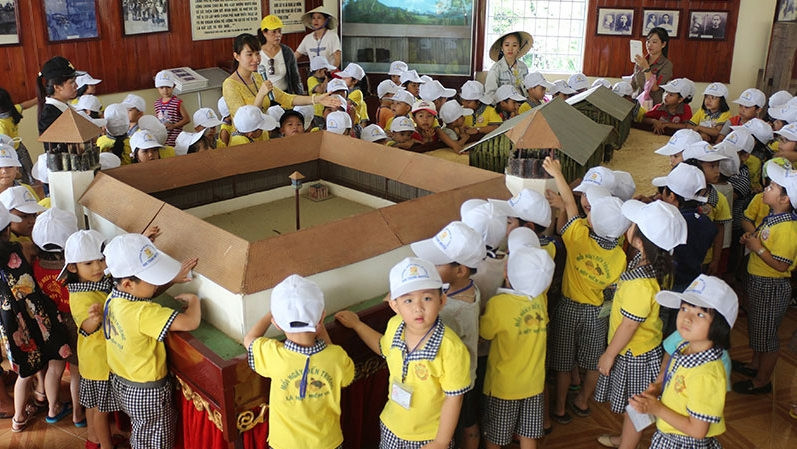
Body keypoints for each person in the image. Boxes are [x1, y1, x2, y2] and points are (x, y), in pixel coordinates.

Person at [335, 257, 471, 449]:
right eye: (408, 300)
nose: (418, 307)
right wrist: (357, 325)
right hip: (392, 425)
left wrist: (441, 441)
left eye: (427, 298)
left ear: (441, 301)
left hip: (429, 436)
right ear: (394, 306)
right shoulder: (395, 325)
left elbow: (454, 397)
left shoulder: (451, 349)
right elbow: (383, 348)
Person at [543, 157, 630, 426]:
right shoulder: (619, 256)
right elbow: (613, 288)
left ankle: (559, 408)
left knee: (563, 362)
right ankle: (582, 401)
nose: (587, 213)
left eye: (591, 213)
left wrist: (557, 173)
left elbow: (570, 205)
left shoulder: (578, 235)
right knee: (593, 362)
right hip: (597, 314)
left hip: (569, 307)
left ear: (592, 221)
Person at [594, 200, 687, 449]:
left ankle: (628, 444)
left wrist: (608, 355)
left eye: (634, 224)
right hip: (642, 349)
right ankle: (625, 439)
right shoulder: (656, 266)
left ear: (638, 241)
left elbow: (629, 326)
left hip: (634, 355)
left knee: (635, 408)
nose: (630, 224)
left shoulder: (640, 283)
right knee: (632, 405)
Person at [102, 233, 199, 449]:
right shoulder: (144, 313)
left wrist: (172, 279)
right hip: (148, 392)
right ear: (128, 283)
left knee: (142, 432)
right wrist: (194, 301)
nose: (157, 284)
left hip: (122, 382)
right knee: (156, 441)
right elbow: (189, 323)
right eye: (152, 279)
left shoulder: (113, 297)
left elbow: (145, 293)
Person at [244, 274, 354, 449]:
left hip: (285, 444)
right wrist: (320, 326)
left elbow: (250, 338)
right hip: (327, 443)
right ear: (321, 317)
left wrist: (272, 313)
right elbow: (346, 378)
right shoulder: (336, 356)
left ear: (277, 324)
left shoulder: (273, 355)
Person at [630, 275, 736, 449]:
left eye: (700, 314)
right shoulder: (684, 346)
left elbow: (698, 430)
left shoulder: (707, 375)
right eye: (684, 308)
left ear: (719, 326)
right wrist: (658, 389)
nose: (687, 318)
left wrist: (656, 409)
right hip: (669, 435)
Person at [411, 221, 486, 449]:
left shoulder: (451, 310)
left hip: (454, 381)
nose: (430, 266)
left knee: (458, 424)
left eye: (437, 263)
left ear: (460, 270)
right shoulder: (469, 288)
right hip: (468, 374)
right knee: (468, 420)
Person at [0, 206, 72, 432]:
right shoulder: (20, 248)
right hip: (37, 317)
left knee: (24, 373)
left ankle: (18, 419)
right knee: (55, 354)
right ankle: (51, 402)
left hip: (11, 326)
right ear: (6, 230)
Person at [733, 160, 797, 395]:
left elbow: (782, 265)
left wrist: (757, 247)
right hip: (761, 281)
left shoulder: (788, 228)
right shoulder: (773, 218)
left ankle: (762, 380)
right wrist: (752, 239)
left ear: (785, 199)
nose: (766, 188)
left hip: (772, 285)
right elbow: (763, 241)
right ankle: (754, 365)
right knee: (759, 328)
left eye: (772, 187)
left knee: (767, 336)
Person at [481, 246, 554, 449]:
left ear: (506, 273)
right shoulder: (539, 299)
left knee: (495, 437)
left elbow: (485, 333)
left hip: (504, 387)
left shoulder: (499, 304)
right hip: (534, 384)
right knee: (527, 434)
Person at [62, 230, 118, 449]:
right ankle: (106, 445)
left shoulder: (97, 282)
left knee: (94, 406)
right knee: (100, 410)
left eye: (100, 260)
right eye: (88, 263)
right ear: (73, 267)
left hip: (94, 361)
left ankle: (93, 440)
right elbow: (84, 326)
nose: (97, 267)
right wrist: (94, 320)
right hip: (99, 363)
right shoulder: (80, 295)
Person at [223, 34, 339, 120]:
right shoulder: (230, 84)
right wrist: (261, 95)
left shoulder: (258, 77)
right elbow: (245, 121)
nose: (256, 59)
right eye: (249, 54)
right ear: (237, 56)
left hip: (264, 133)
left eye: (257, 53)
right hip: (243, 141)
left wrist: (316, 99)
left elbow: (287, 98)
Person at [36, 56, 83, 135]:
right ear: (57, 87)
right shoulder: (49, 115)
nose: (77, 86)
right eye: (72, 82)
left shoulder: (64, 106)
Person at [258, 15, 304, 95]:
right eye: (274, 32)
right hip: (263, 98)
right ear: (264, 33)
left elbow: (295, 79)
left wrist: (301, 97)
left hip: (285, 97)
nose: (278, 35)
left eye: (279, 31)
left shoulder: (287, 52)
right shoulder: (257, 53)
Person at [0, 88, 36, 184]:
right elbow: (24, 105)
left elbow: (3, 145)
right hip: (20, 149)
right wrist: (37, 99)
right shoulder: (13, 111)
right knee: (27, 177)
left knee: (13, 179)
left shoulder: (1, 125)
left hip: (8, 154)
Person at [631, 27, 673, 108]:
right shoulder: (641, 60)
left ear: (663, 44)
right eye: (648, 41)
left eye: (654, 42)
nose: (649, 45)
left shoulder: (667, 64)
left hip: (653, 105)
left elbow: (654, 88)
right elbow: (634, 84)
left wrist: (646, 68)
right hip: (636, 103)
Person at [484, 31, 532, 99]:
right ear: (502, 48)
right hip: (504, 106)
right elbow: (490, 94)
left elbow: (528, 89)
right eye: (507, 45)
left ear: (519, 48)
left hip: (522, 105)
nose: (510, 49)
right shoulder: (496, 69)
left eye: (514, 45)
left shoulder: (523, 67)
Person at [152, 71, 189, 146]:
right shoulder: (157, 104)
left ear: (174, 86)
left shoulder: (177, 102)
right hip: (162, 140)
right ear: (157, 88)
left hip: (176, 140)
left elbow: (187, 119)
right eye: (161, 87)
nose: (165, 90)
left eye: (168, 87)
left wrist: (174, 126)